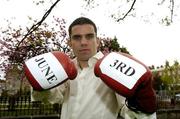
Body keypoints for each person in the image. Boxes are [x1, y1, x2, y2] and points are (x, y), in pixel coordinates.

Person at [31, 17, 157, 119]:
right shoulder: (66, 69)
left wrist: (144, 101)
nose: (84, 42)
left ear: (97, 41)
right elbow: (52, 98)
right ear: (70, 43)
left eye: (89, 36)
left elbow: (129, 112)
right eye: (77, 37)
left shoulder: (112, 67)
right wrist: (39, 81)